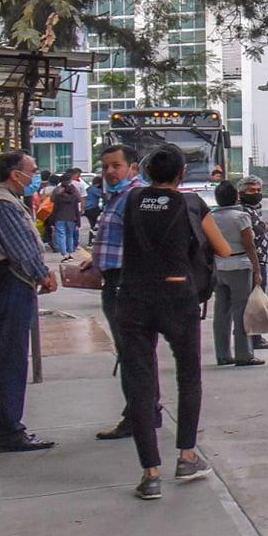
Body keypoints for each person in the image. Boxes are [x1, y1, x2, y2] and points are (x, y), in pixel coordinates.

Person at [117, 145, 231, 499]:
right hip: (177, 296)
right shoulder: (191, 204)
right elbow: (223, 249)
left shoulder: (132, 199)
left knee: (140, 382)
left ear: (147, 172)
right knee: (188, 377)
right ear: (182, 173)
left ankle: (150, 474)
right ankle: (186, 456)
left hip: (133, 296)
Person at [0, 149, 58, 453]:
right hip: (8, 283)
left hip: (4, 284)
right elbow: (19, 247)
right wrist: (42, 274)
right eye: (32, 170)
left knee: (1, 356)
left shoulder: (0, 199)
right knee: (9, 358)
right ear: (16, 174)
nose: (35, 176)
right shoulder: (1, 203)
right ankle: (7, 430)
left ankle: (1, 427)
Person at [90, 144, 149, 440]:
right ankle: (145, 412)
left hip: (126, 284)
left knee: (132, 354)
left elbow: (144, 243)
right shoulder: (116, 197)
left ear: (133, 168)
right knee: (132, 354)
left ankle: (138, 416)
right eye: (105, 167)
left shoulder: (133, 197)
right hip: (115, 280)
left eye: (116, 165)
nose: (110, 172)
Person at [207, 181, 264, 367]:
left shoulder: (211, 217)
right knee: (241, 312)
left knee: (221, 312)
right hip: (239, 266)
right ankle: (244, 355)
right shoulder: (241, 217)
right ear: (236, 197)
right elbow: (249, 245)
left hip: (219, 266)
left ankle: (222, 354)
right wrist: (257, 270)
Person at [238, 175, 268, 348]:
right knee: (255, 300)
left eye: (259, 190)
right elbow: (260, 228)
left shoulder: (253, 210)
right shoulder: (244, 211)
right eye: (252, 190)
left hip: (260, 260)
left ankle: (255, 337)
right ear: (242, 192)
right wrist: (264, 226)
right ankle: (255, 338)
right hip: (255, 262)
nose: (257, 193)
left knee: (257, 298)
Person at [50, 168, 83, 255]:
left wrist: (52, 219)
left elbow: (52, 202)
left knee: (61, 234)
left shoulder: (57, 191)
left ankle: (63, 252)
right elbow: (78, 201)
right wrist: (78, 219)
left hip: (59, 216)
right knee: (70, 234)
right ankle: (70, 251)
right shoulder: (74, 191)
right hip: (72, 216)